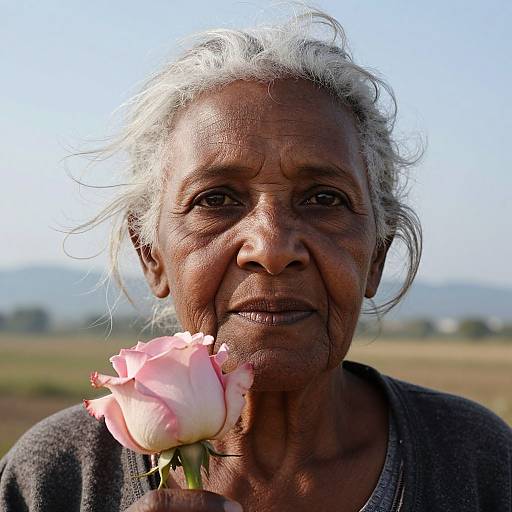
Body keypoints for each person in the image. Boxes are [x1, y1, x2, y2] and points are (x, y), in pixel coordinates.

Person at [1, 9, 511, 512]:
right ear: (152, 254)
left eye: (324, 199)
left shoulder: (476, 462)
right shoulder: (55, 478)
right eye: (216, 199)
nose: (271, 249)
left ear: (377, 253)